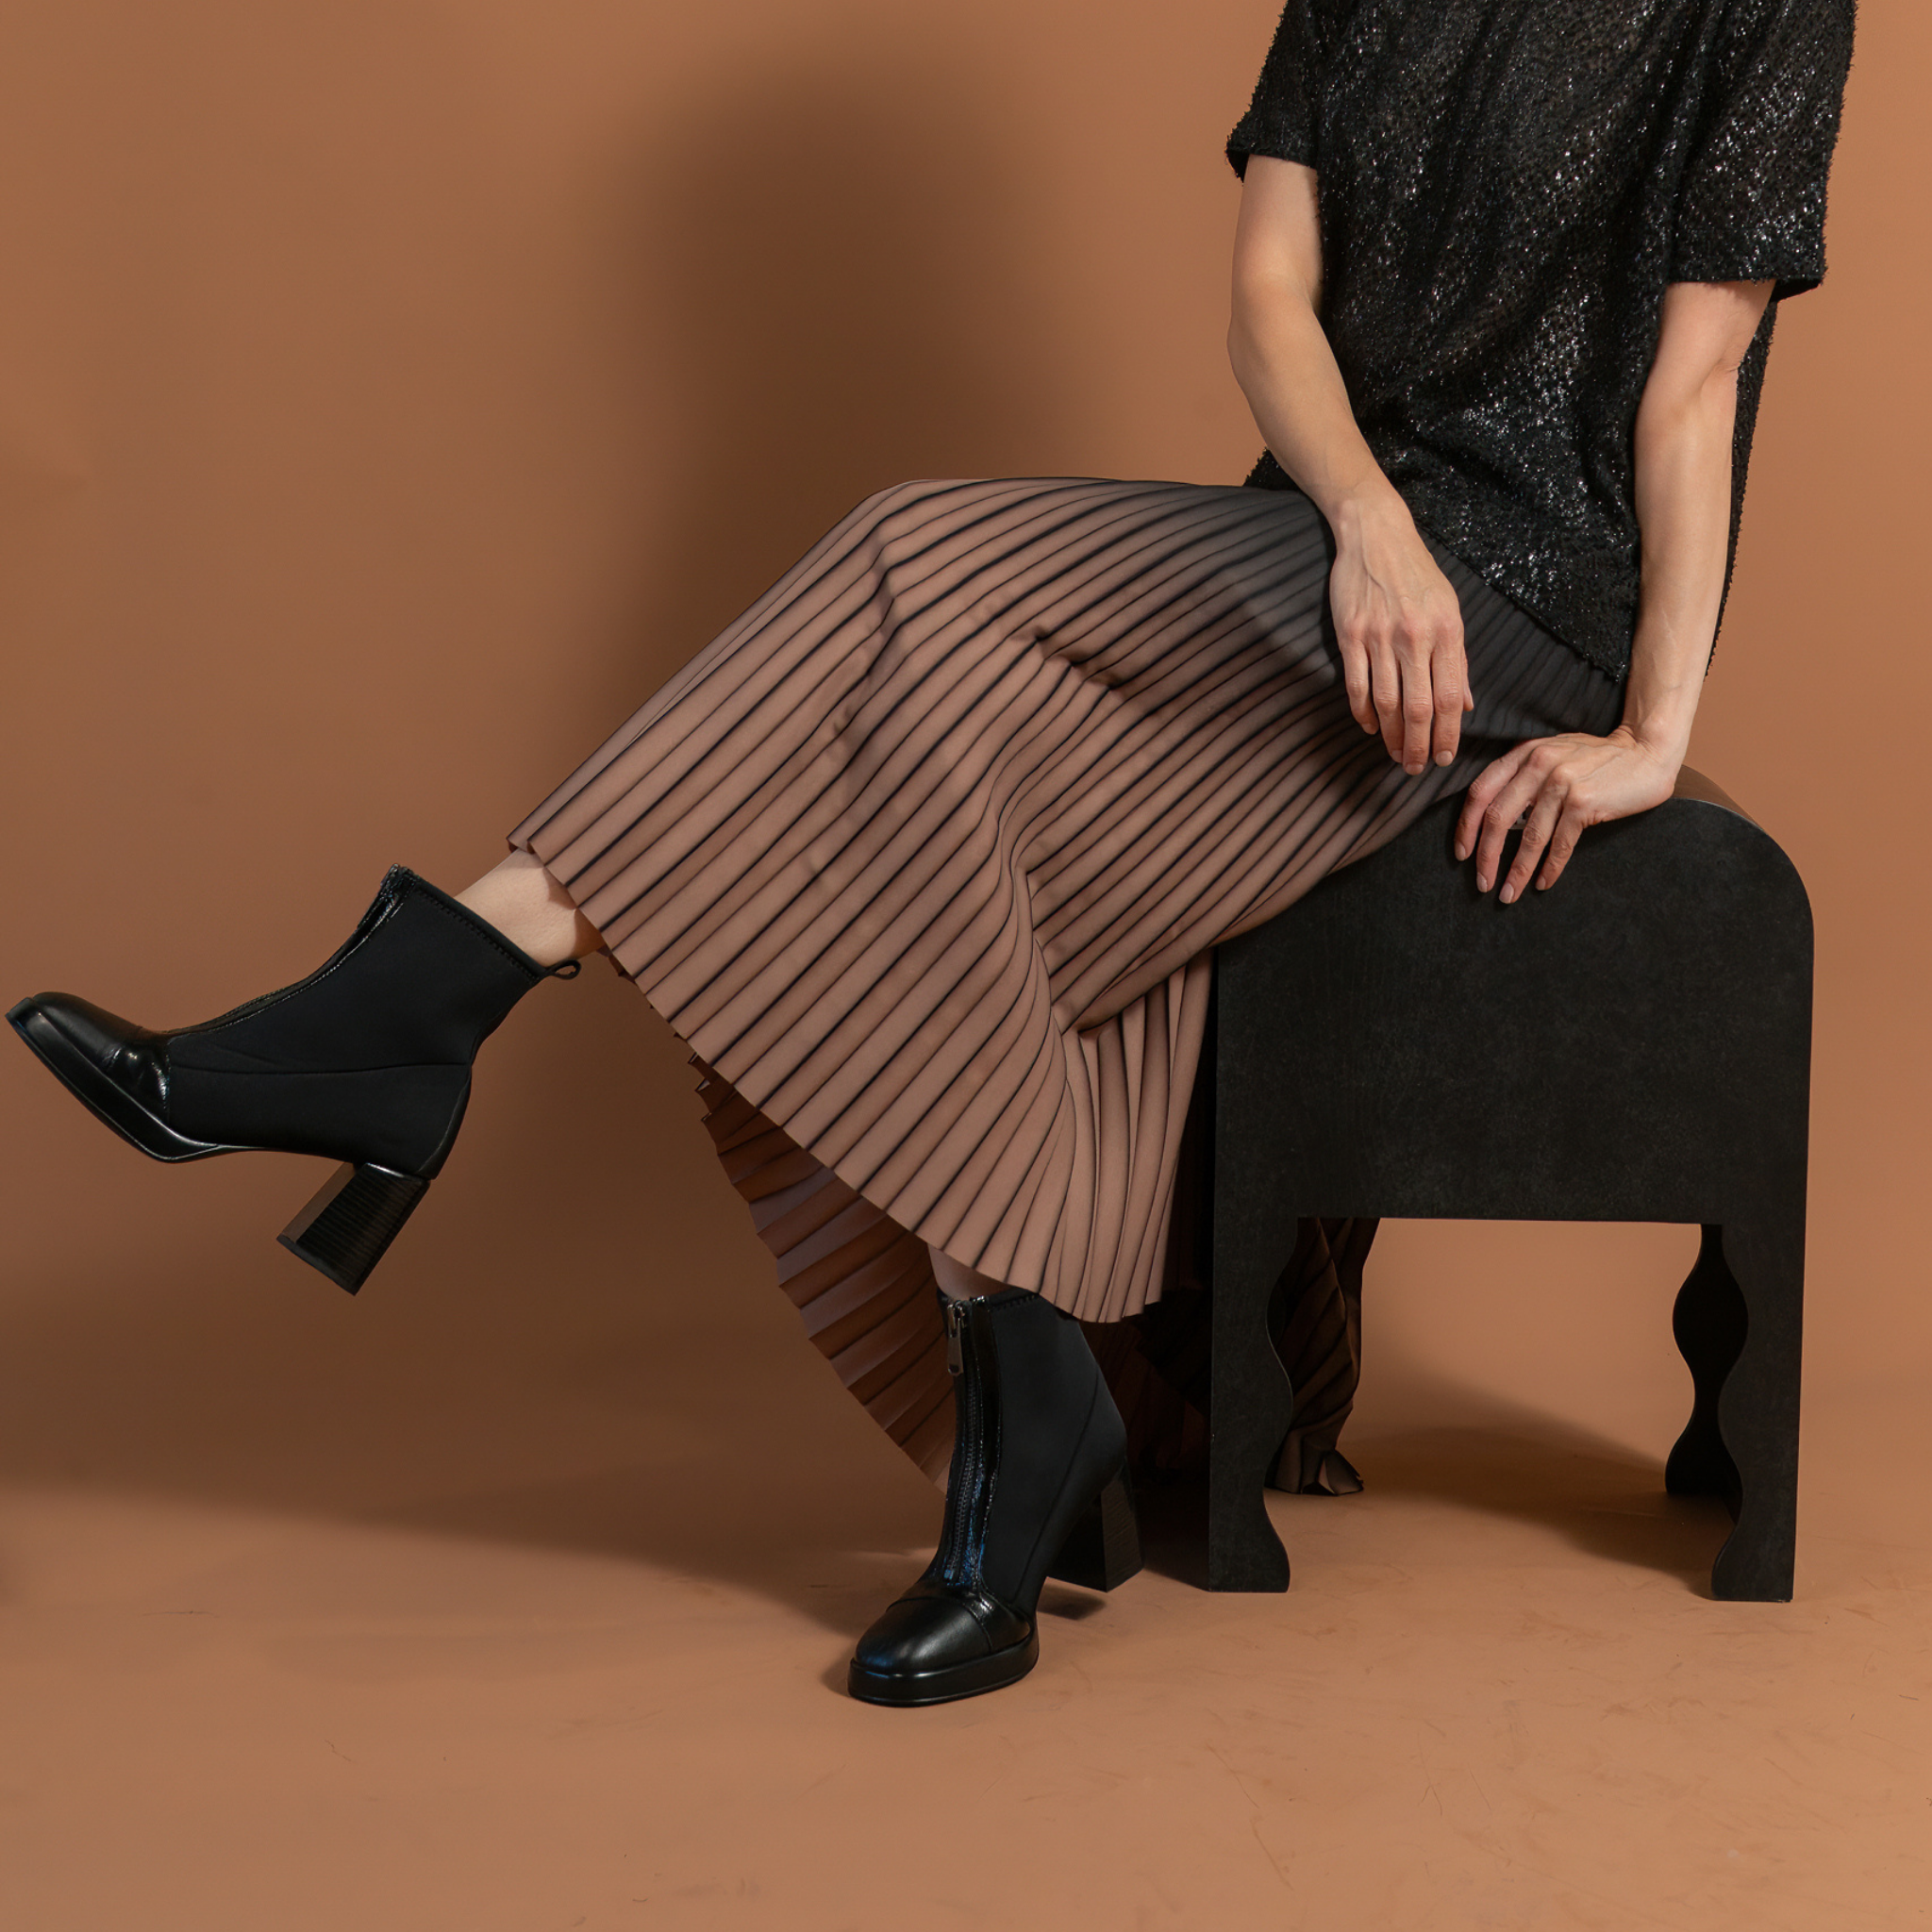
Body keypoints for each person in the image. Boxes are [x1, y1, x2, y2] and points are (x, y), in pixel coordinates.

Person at [8, 0, 1855, 1707]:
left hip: (1525, 601)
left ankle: (420, 1006)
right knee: (957, 764)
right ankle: (1024, 1392)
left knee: (914, 559)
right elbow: (1268, 303)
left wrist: (1653, 728)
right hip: (1325, 554)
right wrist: (1366, 523)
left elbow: (1694, 385)